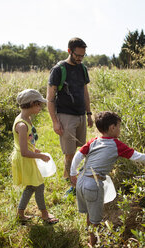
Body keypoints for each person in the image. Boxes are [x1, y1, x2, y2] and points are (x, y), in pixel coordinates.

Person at [70, 111, 145, 247]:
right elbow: (137, 156)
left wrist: (72, 173)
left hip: (81, 180)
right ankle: (93, 244)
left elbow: (78, 155)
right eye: (119, 126)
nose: (119, 129)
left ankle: (90, 241)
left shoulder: (93, 141)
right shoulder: (116, 144)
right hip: (93, 184)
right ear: (112, 128)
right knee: (96, 220)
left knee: (89, 214)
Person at [47, 37, 93, 197]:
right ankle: (69, 181)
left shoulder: (83, 69)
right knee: (69, 152)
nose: (80, 58)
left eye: (83, 55)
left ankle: (71, 175)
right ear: (69, 51)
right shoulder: (59, 70)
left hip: (81, 114)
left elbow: (85, 93)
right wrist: (55, 122)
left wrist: (89, 114)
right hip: (66, 115)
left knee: (81, 149)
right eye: (78, 55)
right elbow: (50, 98)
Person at [11, 89, 59, 224]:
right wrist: (41, 156)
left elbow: (26, 143)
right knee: (39, 186)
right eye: (39, 105)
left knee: (32, 186)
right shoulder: (21, 125)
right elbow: (24, 152)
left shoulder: (27, 119)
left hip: (28, 157)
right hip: (25, 159)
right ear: (32, 103)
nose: (40, 108)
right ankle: (44, 214)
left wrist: (35, 149)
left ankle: (20, 213)